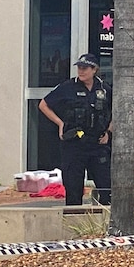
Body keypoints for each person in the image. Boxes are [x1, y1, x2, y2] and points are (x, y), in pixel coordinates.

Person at [39, 53, 113, 205]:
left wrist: (108, 132)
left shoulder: (104, 89)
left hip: (97, 144)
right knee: (73, 187)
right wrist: (60, 123)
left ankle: (105, 223)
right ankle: (74, 221)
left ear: (94, 69)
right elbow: (43, 105)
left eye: (85, 68)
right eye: (79, 67)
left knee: (106, 186)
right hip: (74, 143)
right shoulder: (68, 87)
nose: (81, 71)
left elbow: (117, 110)